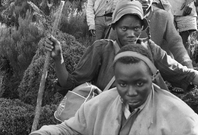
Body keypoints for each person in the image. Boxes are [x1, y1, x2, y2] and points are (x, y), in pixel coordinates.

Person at [30, 44, 198, 135]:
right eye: (123, 84)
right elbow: (70, 130)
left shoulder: (182, 120)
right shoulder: (101, 103)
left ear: (153, 78)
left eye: (139, 84)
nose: (131, 92)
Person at [45, 0, 198, 97]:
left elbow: (181, 73)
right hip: (108, 122)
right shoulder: (101, 50)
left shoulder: (150, 49)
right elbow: (69, 84)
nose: (131, 34)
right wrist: (59, 59)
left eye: (136, 29)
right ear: (115, 28)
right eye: (124, 29)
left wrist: (194, 75)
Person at [131, 0, 193, 69]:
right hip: (128, 67)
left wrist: (188, 67)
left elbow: (175, 43)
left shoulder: (163, 16)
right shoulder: (124, 16)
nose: (145, 0)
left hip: (156, 69)